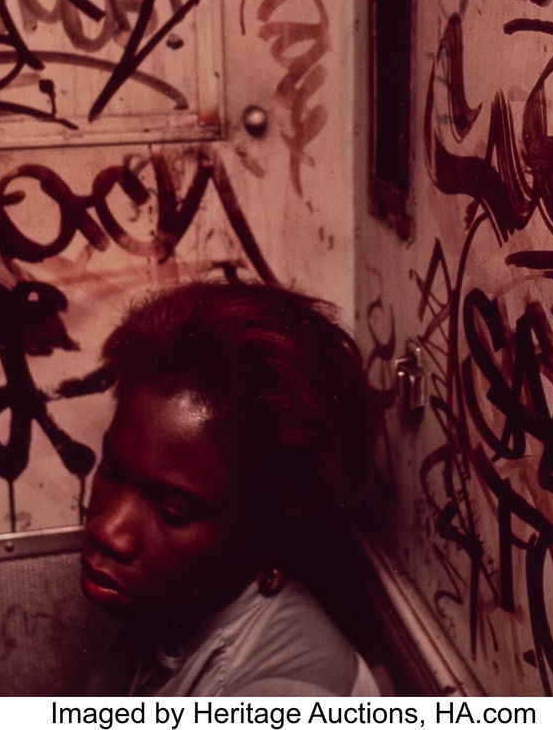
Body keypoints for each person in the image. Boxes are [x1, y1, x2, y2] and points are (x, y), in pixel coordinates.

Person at [78, 278, 383, 696]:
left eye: (173, 511)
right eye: (111, 471)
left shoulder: (289, 695)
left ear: (268, 533)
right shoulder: (170, 603)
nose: (107, 530)